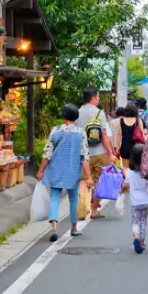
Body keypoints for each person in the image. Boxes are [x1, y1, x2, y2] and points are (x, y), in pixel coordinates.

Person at [37, 104, 93, 242]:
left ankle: (54, 227)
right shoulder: (81, 133)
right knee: (73, 198)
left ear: (63, 117)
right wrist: (89, 177)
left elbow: (47, 153)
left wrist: (40, 171)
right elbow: (84, 157)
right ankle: (74, 228)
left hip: (55, 169)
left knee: (55, 197)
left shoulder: (55, 131)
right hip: (72, 171)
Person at [75, 86, 117, 219]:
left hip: (82, 153)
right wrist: (110, 153)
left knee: (83, 181)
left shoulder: (77, 112)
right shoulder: (99, 113)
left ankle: (81, 209)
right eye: (98, 96)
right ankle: (93, 210)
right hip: (99, 152)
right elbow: (104, 135)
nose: (99, 99)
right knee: (99, 182)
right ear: (93, 97)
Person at [121, 143, 148, 254]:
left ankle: (136, 238)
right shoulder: (146, 172)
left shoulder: (129, 172)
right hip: (146, 201)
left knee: (135, 222)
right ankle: (142, 242)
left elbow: (126, 185)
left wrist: (120, 190)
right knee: (143, 222)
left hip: (135, 202)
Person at [117, 102, 144, 169]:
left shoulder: (121, 120)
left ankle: (127, 179)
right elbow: (142, 134)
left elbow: (119, 135)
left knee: (125, 167)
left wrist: (117, 148)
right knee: (137, 168)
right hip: (137, 148)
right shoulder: (138, 120)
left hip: (125, 147)